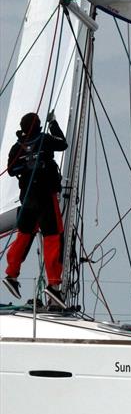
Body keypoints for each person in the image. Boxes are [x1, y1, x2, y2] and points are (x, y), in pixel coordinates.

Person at [3, 112, 68, 308]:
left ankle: (11, 274)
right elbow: (62, 144)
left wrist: (26, 165)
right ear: (39, 126)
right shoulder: (44, 140)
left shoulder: (17, 147)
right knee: (53, 237)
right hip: (45, 198)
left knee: (24, 235)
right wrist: (54, 123)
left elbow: (12, 170)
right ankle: (54, 286)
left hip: (27, 199)